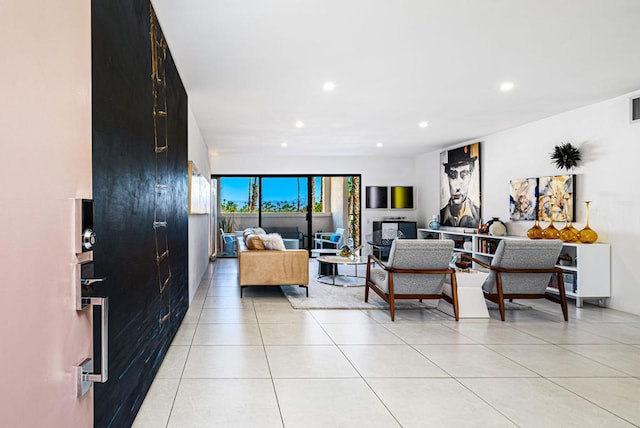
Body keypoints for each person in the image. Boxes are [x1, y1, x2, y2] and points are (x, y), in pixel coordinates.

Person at [440, 145, 480, 227]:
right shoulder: (441, 215)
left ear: (470, 176)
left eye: (464, 174)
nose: (457, 187)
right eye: (452, 175)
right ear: (447, 178)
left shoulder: (477, 214)